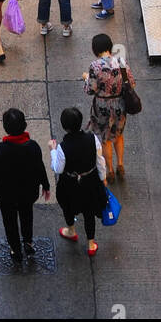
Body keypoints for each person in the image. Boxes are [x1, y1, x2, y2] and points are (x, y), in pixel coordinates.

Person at [0, 108, 50, 263]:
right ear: (25, 125)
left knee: (9, 221)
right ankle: (28, 241)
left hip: (6, 195)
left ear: (5, 128)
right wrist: (46, 185)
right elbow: (40, 167)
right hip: (28, 193)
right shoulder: (33, 146)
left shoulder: (1, 149)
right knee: (27, 215)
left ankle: (15, 249)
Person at [49, 107, 107, 257]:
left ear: (64, 126)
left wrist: (53, 150)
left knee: (68, 208)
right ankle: (91, 243)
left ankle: (71, 230)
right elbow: (100, 160)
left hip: (70, 185)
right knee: (89, 213)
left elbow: (58, 168)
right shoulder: (92, 139)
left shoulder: (62, 147)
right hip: (90, 181)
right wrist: (103, 179)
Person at [84, 33, 136, 181]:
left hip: (102, 107)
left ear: (95, 49)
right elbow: (131, 83)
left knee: (106, 138)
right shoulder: (121, 61)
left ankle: (110, 170)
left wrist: (86, 78)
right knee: (118, 135)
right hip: (119, 104)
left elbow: (90, 90)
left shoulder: (95, 66)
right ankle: (120, 164)